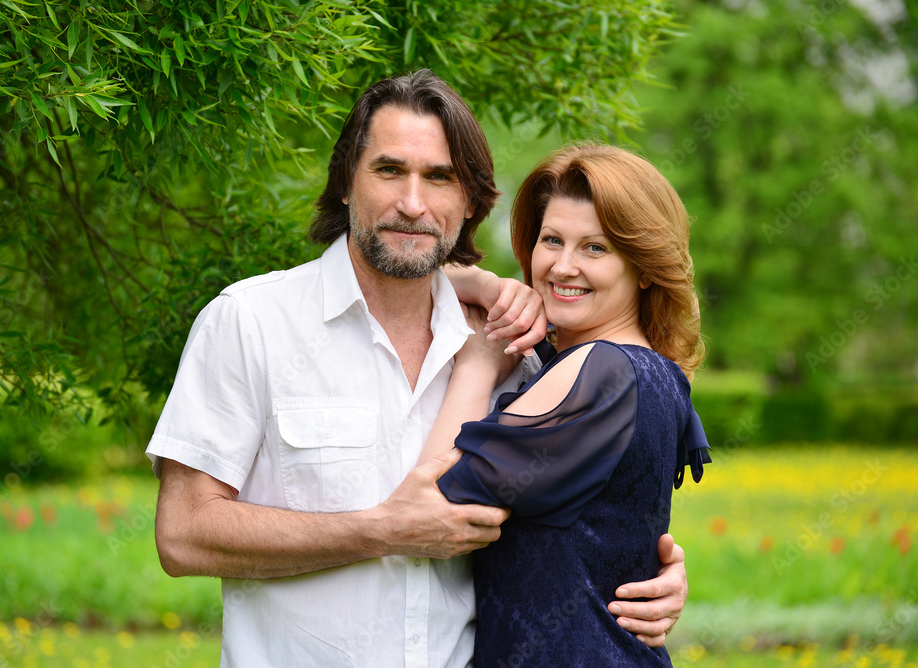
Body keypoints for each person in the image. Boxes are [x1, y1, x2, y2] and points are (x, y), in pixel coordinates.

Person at [148, 71, 690, 667]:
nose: (412, 203)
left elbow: (580, 524)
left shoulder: (518, 351)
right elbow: (182, 535)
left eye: (439, 177)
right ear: (346, 183)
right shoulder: (251, 322)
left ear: (470, 201)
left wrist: (641, 566)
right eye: (389, 170)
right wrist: (380, 529)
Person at [427, 142, 712, 666]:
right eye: (552, 240)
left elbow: (434, 503)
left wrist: (477, 365)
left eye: (595, 248)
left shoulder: (603, 371)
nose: (562, 266)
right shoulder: (648, 370)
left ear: (644, 266)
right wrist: (483, 283)